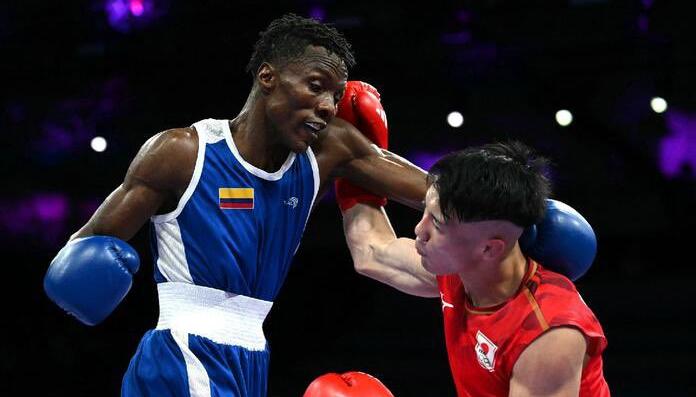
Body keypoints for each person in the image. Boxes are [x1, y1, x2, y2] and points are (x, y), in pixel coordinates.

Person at [43, 14, 427, 396]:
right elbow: (86, 246)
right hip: (183, 354)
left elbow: (437, 192)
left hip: (252, 356)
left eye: (337, 96)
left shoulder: (328, 150)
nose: (328, 106)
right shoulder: (183, 153)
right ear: (267, 77)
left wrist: (485, 177)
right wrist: (83, 276)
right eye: (316, 86)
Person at [339, 142, 610, 396]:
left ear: (490, 248)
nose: (419, 230)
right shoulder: (461, 268)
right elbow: (371, 252)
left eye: (437, 223)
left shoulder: (548, 333)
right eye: (425, 212)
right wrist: (346, 154)